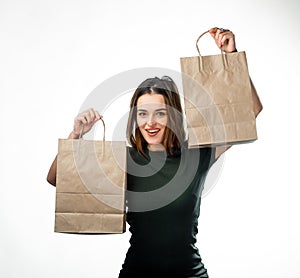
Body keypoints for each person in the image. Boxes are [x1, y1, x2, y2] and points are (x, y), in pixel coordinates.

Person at [47, 27, 263, 278]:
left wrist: (232, 57)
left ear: (172, 115)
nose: (150, 122)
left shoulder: (198, 153)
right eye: (142, 114)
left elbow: (251, 112)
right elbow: (56, 179)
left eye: (159, 113)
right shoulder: (122, 160)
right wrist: (76, 135)